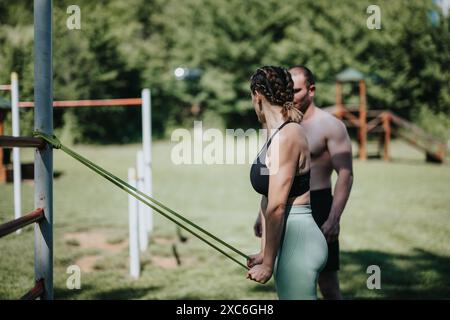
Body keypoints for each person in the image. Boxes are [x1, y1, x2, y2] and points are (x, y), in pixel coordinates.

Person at [253, 66, 353, 299]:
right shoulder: (274, 128)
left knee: (328, 284)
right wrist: (262, 219)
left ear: (312, 90)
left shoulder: (329, 125)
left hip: (316, 203)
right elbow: (273, 187)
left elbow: (345, 174)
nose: (291, 96)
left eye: (296, 90)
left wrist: (334, 218)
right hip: (285, 211)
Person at [246, 66, 328, 300]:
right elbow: (267, 197)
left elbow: (277, 206)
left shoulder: (288, 135)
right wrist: (264, 252)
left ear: (257, 95)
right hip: (288, 239)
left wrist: (268, 265)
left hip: (298, 241)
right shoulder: (274, 134)